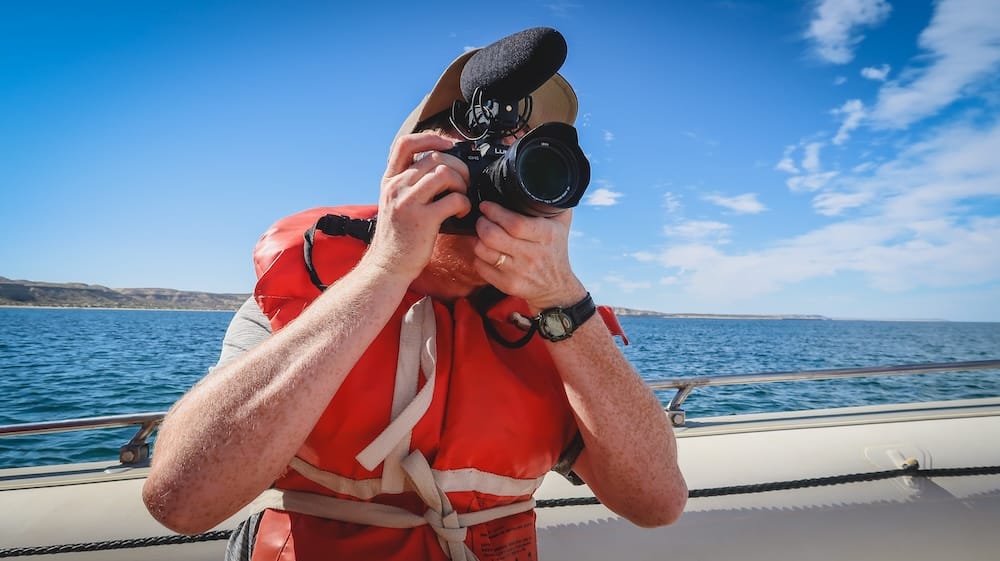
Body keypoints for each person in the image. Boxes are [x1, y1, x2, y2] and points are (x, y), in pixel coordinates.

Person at [143, 27, 687, 561]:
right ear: (409, 165)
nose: (499, 173)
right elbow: (183, 501)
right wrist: (385, 270)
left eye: (524, 155)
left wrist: (562, 297)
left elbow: (656, 503)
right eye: (475, 150)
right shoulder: (309, 290)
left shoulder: (552, 324)